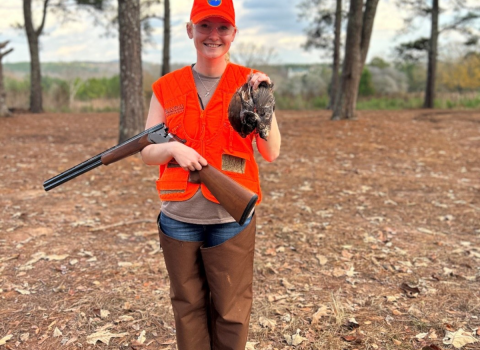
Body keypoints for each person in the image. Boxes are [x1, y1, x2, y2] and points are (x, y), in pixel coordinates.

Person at [141, 0, 281, 349]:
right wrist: (173, 149)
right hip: (178, 215)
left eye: (222, 27)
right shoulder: (167, 87)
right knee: (187, 306)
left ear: (234, 34)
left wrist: (264, 103)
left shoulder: (250, 83)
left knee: (231, 310)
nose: (213, 35)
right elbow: (146, 150)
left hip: (230, 216)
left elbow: (271, 152)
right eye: (204, 26)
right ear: (190, 30)